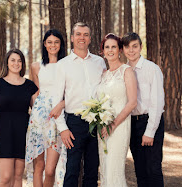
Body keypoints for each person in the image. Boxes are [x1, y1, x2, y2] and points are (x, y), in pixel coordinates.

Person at [53, 22, 106, 187]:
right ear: (71, 38)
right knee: (72, 170)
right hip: (74, 123)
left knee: (92, 170)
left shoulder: (100, 62)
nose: (81, 38)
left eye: (85, 34)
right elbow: (56, 99)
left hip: (96, 122)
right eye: (78, 34)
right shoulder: (63, 65)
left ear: (90, 38)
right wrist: (63, 128)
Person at [0, 49, 38, 187]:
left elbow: (38, 111)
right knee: (6, 177)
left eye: (19, 60)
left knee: (18, 177)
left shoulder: (29, 86)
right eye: (13, 60)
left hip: (23, 135)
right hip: (4, 134)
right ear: (7, 63)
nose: (16, 63)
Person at [122, 32, 165, 187]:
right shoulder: (124, 70)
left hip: (150, 121)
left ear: (140, 47)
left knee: (153, 169)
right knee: (139, 169)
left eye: (135, 46)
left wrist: (150, 132)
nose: (131, 50)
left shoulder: (152, 69)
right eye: (127, 47)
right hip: (133, 123)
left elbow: (157, 103)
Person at [25, 29, 67, 187]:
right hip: (38, 119)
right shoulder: (36, 66)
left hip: (57, 118)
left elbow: (70, 92)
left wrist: (62, 104)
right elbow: (35, 94)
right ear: (44, 44)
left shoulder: (66, 65)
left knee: (50, 169)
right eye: (49, 42)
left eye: (56, 42)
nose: (53, 45)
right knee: (39, 166)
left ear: (60, 44)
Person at [97, 33, 137, 186]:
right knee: (105, 168)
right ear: (103, 51)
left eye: (114, 47)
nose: (110, 50)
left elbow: (132, 102)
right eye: (107, 47)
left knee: (115, 169)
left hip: (119, 127)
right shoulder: (103, 74)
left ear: (120, 50)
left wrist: (113, 125)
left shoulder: (126, 71)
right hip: (103, 129)